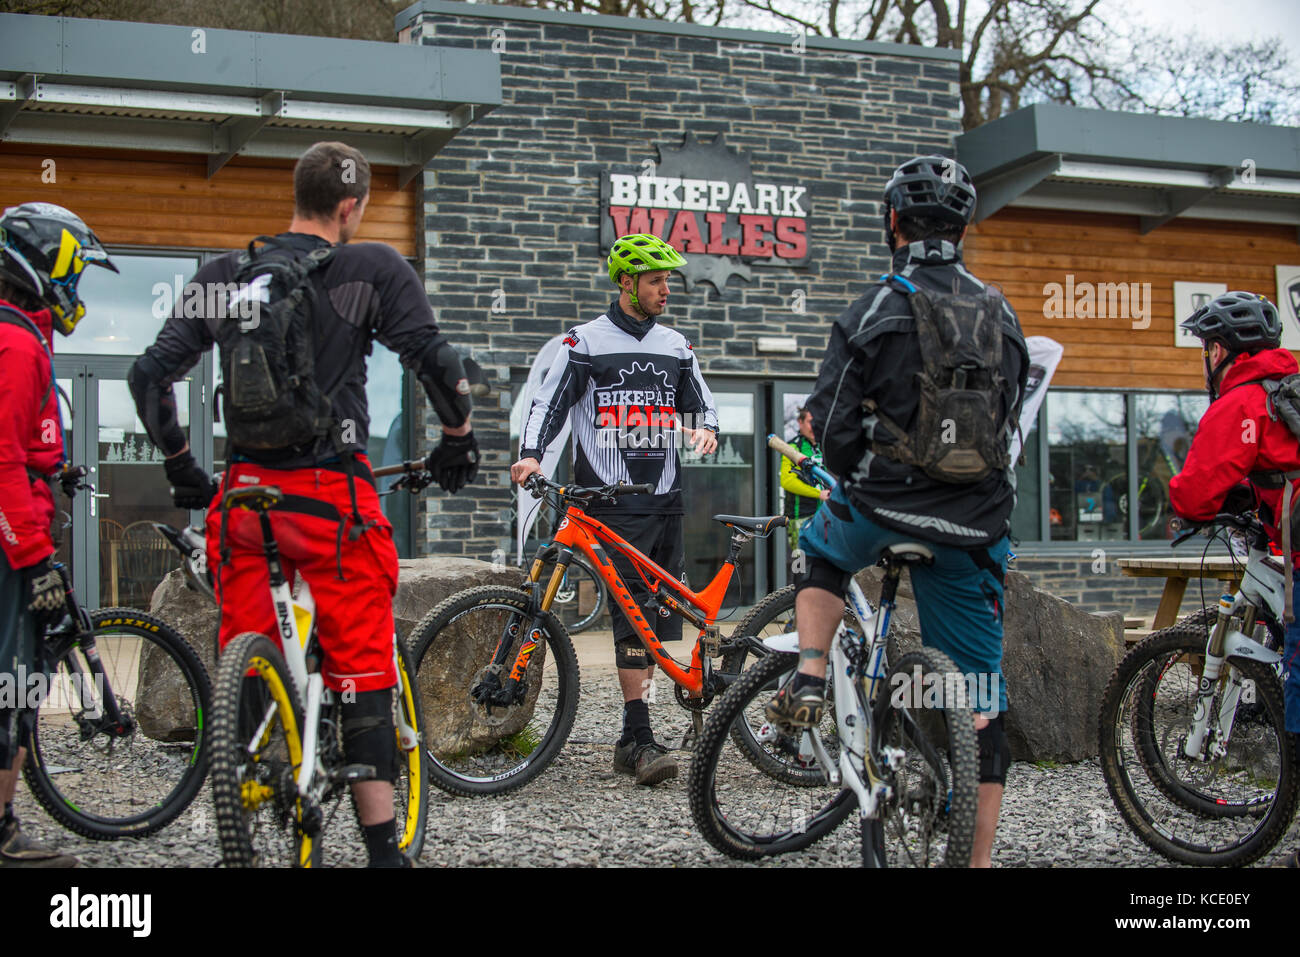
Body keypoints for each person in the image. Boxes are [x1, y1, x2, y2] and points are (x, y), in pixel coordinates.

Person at [128, 142, 479, 867]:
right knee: (361, 663)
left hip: (244, 501)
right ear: (348, 208)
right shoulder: (372, 268)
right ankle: (384, 847)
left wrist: (184, 467)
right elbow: (438, 363)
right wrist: (457, 439)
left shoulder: (224, 276)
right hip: (330, 499)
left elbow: (147, 373)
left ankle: (261, 769)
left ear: (297, 194)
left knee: (244, 647)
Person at [765, 156, 1028, 867]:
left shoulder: (875, 309)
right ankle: (974, 862)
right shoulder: (1003, 314)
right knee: (981, 701)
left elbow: (837, 427)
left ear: (892, 223)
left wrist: (851, 481)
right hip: (975, 525)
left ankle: (812, 672)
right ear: (964, 228)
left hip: (885, 506)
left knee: (821, 546)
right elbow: (1013, 422)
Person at [510, 233, 719, 786]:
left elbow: (702, 406)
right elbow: (549, 405)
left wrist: (707, 432)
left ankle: (666, 725)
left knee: (662, 621)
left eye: (668, 280)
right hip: (609, 504)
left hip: (666, 503)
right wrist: (531, 457)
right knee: (634, 622)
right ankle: (638, 736)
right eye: (655, 280)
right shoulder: (584, 342)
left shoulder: (677, 346)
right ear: (626, 283)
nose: (666, 290)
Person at [0, 202, 118, 867]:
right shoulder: (15, 342)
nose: (76, 291)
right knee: (10, 678)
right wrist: (35, 557)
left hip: (13, 534)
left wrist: (56, 465)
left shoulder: (18, 334)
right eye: (74, 273)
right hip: (10, 546)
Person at [1164, 290, 1299, 865]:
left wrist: (1188, 508)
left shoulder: (1242, 399)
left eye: (1205, 346)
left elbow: (1196, 489)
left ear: (1220, 350)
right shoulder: (1289, 387)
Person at [780, 407, 828, 555]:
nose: (814, 426)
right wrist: (818, 494)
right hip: (800, 518)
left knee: (823, 564)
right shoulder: (793, 447)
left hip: (825, 516)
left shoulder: (823, 447)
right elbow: (787, 481)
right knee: (800, 565)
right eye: (810, 422)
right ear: (800, 422)